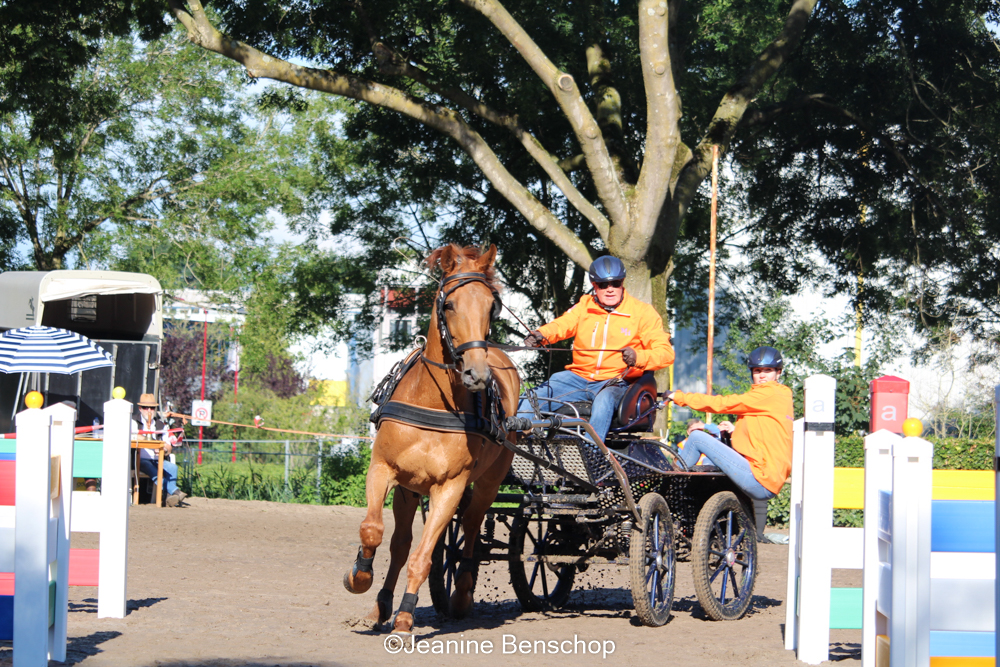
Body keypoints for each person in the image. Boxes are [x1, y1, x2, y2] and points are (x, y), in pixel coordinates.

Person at [517, 255, 675, 443]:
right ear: (594, 285)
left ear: (622, 282)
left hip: (615, 381)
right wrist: (541, 335)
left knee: (604, 400)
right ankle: (523, 446)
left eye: (615, 283)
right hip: (577, 378)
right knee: (533, 396)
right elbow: (562, 325)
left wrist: (638, 357)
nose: (610, 289)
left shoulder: (643, 313)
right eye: (603, 284)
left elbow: (666, 354)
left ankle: (592, 455)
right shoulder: (585, 306)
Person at [665, 346, 793, 501]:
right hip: (766, 477)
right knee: (707, 461)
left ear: (778, 372)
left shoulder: (769, 393)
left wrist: (678, 397)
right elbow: (765, 433)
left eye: (768, 371)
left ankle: (667, 489)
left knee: (697, 438)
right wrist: (734, 431)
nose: (762, 376)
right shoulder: (780, 394)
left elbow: (723, 404)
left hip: (760, 478)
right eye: (757, 371)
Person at [133, 393, 186, 507]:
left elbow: (168, 446)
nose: (149, 410)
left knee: (172, 467)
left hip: (157, 459)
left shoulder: (160, 425)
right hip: (138, 459)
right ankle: (176, 492)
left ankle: (170, 499)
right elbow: (136, 436)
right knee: (150, 467)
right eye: (146, 407)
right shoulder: (133, 422)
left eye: (152, 408)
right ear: (140, 408)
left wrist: (165, 450)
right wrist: (154, 444)